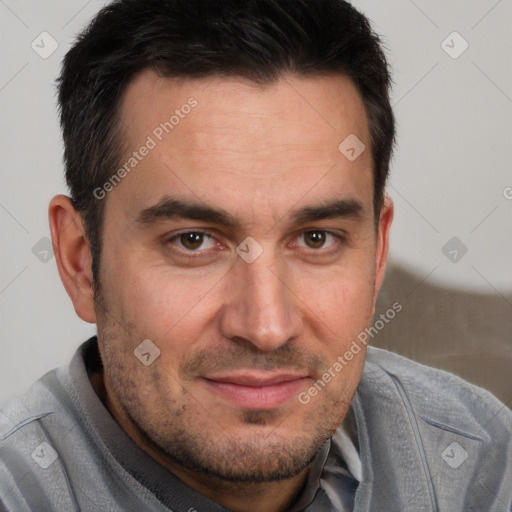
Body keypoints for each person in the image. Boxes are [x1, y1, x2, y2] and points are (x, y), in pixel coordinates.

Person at [1, 0, 510, 510]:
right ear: (80, 263)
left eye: (317, 239)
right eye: (194, 241)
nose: (266, 327)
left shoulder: (481, 470)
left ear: (377, 257)